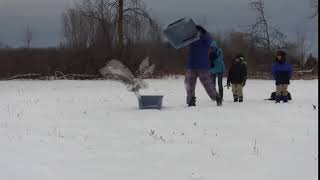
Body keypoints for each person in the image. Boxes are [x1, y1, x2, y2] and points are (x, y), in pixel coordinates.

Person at [185, 25, 222, 107]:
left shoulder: (205, 39)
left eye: (197, 31)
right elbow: (181, 42)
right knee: (189, 83)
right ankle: (191, 100)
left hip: (202, 65)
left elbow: (211, 40)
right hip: (191, 64)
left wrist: (204, 32)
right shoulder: (190, 39)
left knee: (207, 84)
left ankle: (217, 97)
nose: (195, 32)